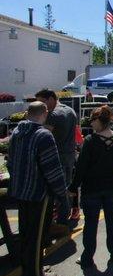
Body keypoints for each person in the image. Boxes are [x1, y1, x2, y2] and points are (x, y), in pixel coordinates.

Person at [7, 102, 67, 276]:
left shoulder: (17, 133)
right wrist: (62, 194)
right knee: (37, 236)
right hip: (38, 193)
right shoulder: (43, 135)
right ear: (45, 113)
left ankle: (32, 269)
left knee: (26, 233)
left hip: (21, 190)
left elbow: (10, 161)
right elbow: (52, 169)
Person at [68, 106, 113, 270]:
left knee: (91, 223)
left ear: (100, 121)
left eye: (92, 120)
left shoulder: (90, 141)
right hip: (112, 186)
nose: (91, 123)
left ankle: (87, 256)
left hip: (92, 187)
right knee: (112, 220)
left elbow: (81, 167)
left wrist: (74, 186)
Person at [35, 89, 78, 230]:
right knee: (66, 186)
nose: (42, 105)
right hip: (69, 154)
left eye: (42, 102)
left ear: (51, 99)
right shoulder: (70, 111)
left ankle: (60, 222)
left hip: (57, 156)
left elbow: (43, 136)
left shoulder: (53, 115)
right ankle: (65, 217)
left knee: (57, 189)